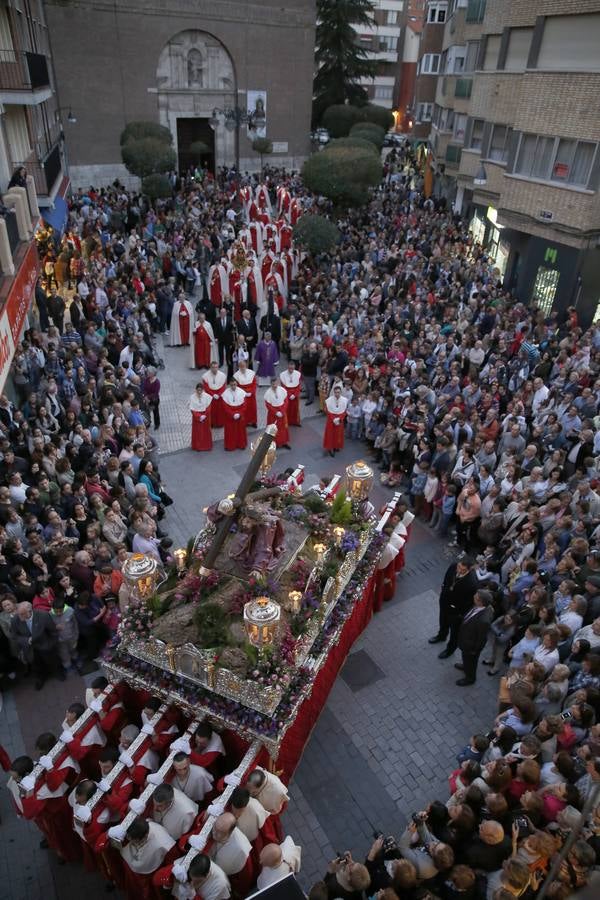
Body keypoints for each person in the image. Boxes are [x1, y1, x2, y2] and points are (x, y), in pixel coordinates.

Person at [429, 557, 478, 657]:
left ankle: (450, 650)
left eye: (462, 569)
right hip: (444, 602)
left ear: (469, 569)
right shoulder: (453, 566)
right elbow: (446, 579)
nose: (459, 570)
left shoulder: (472, 583)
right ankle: (441, 635)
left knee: (454, 633)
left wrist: (460, 614)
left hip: (456, 612)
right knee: (443, 621)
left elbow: (468, 602)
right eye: (459, 567)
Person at [11, 600, 61, 689]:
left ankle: (57, 673)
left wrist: (51, 644)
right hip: (30, 648)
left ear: (30, 611)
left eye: (22, 614)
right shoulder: (16, 619)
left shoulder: (43, 615)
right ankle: (40, 678)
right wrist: (26, 640)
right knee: (36, 665)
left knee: (52, 661)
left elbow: (53, 631)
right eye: (18, 614)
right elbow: (14, 636)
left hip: (45, 645)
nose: (19, 617)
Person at [455, 589, 494, 686]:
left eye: (476, 597)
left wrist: (474, 651)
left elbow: (482, 639)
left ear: (480, 601)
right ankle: (465, 666)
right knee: (466, 659)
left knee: (471, 662)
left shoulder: (483, 620)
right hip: (466, 641)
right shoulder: (480, 606)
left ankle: (470, 678)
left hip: (471, 647)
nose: (473, 597)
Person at [221, 379, 248, 451]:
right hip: (229, 416)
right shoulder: (225, 393)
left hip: (240, 415)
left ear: (237, 384)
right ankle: (230, 446)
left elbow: (245, 405)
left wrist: (239, 414)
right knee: (230, 431)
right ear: (229, 385)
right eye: (232, 385)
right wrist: (232, 414)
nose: (233, 386)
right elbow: (225, 406)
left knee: (240, 431)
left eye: (235, 385)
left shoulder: (242, 392)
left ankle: (241, 444)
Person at [264, 377, 291, 449]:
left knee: (283, 428)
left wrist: (283, 411)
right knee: (273, 429)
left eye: (275, 384)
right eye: (273, 384)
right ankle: (274, 443)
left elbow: (286, 401)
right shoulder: (268, 393)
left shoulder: (282, 390)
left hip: (282, 412)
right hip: (273, 415)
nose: (274, 385)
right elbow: (268, 405)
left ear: (278, 383)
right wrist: (276, 412)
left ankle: (284, 442)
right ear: (271, 384)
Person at [323, 385, 348, 457]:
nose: (337, 394)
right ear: (334, 392)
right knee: (330, 434)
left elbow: (344, 411)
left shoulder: (344, 400)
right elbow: (328, 411)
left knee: (338, 434)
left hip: (339, 420)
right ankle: (330, 448)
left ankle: (336, 446)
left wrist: (340, 419)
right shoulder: (330, 400)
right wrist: (333, 419)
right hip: (331, 420)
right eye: (336, 392)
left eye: (338, 392)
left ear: (341, 392)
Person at [233, 359, 258, 428]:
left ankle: (253, 422)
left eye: (244, 366)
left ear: (246, 365)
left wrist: (252, 392)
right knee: (244, 409)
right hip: (242, 395)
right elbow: (237, 386)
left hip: (251, 395)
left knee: (253, 409)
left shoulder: (252, 373)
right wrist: (244, 393)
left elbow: (254, 384)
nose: (243, 367)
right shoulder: (236, 375)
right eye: (241, 366)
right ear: (239, 367)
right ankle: (245, 422)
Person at [202, 362, 227, 429]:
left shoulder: (222, 375)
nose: (214, 369)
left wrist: (219, 394)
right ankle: (211, 423)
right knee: (211, 411)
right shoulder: (205, 376)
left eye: (216, 367)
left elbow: (223, 387)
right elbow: (206, 387)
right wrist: (212, 395)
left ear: (218, 367)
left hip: (219, 396)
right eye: (213, 367)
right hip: (210, 396)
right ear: (210, 368)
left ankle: (220, 423)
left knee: (220, 411)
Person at [189, 383, 213, 452]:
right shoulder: (192, 397)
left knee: (206, 432)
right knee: (198, 432)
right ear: (196, 390)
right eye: (198, 390)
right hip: (197, 417)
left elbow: (208, 407)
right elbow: (192, 409)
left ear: (203, 390)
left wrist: (204, 415)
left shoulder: (207, 397)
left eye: (200, 390)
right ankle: (198, 446)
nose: (199, 392)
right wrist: (199, 416)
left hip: (206, 417)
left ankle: (206, 446)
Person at [280, 360, 302, 427]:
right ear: (287, 367)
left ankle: (296, 421)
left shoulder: (298, 374)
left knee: (295, 409)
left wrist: (295, 395)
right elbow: (283, 386)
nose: (291, 370)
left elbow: (299, 386)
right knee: (287, 409)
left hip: (295, 395)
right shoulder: (283, 374)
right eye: (290, 368)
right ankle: (287, 422)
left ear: (294, 367)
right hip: (287, 394)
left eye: (292, 369)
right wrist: (289, 394)